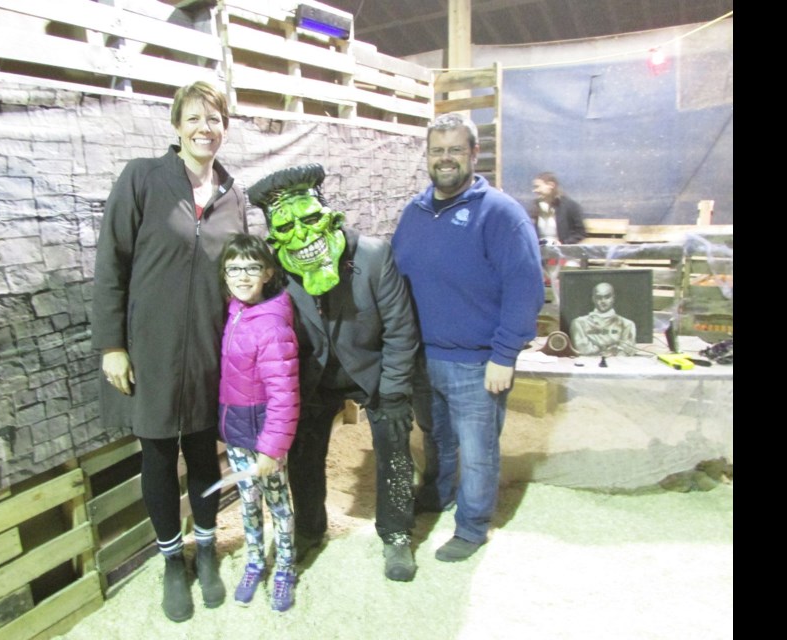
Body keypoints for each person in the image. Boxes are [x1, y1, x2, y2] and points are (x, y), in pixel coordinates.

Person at [91, 80, 247, 622]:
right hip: (150, 350)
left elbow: (243, 277)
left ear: (226, 126)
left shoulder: (233, 196)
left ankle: (205, 551)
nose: (206, 128)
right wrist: (113, 344)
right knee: (157, 455)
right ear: (177, 123)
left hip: (209, 349)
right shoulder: (142, 178)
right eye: (195, 117)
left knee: (205, 452)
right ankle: (170, 563)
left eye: (216, 118)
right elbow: (112, 263)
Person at [247, 164, 420, 582]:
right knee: (303, 453)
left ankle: (396, 533)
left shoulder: (375, 257)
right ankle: (309, 527)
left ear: (330, 216)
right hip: (313, 377)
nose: (304, 237)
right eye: (287, 227)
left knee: (395, 444)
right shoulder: (278, 271)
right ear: (274, 237)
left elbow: (400, 328)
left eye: (310, 219)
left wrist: (394, 391)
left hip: (373, 371)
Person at [392, 113, 544, 563]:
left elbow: (526, 288)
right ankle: (438, 494)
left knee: (478, 450)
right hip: (424, 356)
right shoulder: (415, 211)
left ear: (474, 155)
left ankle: (473, 526)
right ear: (427, 156)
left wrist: (505, 353)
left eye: (455, 150)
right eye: (437, 150)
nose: (445, 159)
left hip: (478, 362)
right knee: (435, 436)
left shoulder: (500, 213)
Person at [217, 233, 300, 612]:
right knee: (247, 501)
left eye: (251, 267)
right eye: (234, 268)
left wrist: (271, 447)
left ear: (267, 272)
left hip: (264, 434)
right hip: (236, 430)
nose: (242, 275)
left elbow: (284, 393)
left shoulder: (272, 325)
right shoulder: (235, 311)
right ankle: (254, 560)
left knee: (277, 502)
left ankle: (284, 566)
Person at [569, 282, 637, 356]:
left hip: (616, 365)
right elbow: (583, 351)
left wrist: (597, 348)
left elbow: (625, 353)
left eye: (607, 297)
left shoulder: (627, 324)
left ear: (613, 298)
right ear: (593, 299)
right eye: (599, 297)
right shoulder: (579, 323)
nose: (603, 301)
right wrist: (612, 349)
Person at [529, 171, 587, 245]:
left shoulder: (569, 206)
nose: (534, 191)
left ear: (551, 185)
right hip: (540, 251)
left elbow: (580, 232)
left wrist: (563, 244)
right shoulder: (535, 206)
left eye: (537, 187)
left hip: (562, 253)